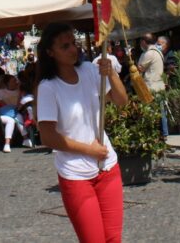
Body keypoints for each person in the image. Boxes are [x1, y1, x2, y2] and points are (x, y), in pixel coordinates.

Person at [36, 22, 129, 243]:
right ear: (50, 53)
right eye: (65, 46)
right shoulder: (48, 87)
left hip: (108, 167)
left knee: (113, 239)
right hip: (75, 173)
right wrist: (89, 150)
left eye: (73, 43)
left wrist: (112, 75)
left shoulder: (88, 70)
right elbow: (47, 136)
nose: (73, 49)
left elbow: (121, 102)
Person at [137, 35, 169, 137]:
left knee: (152, 112)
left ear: (143, 42)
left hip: (152, 86)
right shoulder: (158, 52)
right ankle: (164, 134)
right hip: (159, 85)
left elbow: (140, 68)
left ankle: (157, 134)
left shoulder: (149, 53)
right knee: (161, 112)